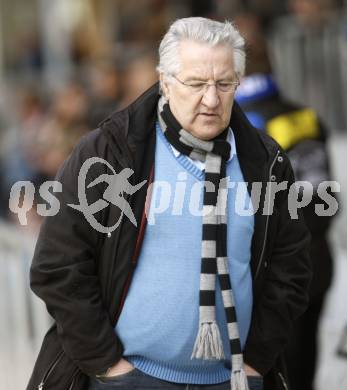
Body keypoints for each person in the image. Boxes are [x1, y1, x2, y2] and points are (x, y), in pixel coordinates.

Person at [27, 17, 311, 390]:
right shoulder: (109, 153)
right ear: (164, 81)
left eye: (224, 84)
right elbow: (58, 266)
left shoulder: (265, 161)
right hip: (129, 380)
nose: (211, 99)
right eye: (195, 84)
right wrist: (108, 365)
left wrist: (258, 361)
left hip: (235, 379)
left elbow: (291, 269)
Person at [234, 13, 336, 390]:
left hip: (275, 271)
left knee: (276, 374)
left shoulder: (245, 128)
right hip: (318, 262)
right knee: (304, 365)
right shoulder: (307, 116)